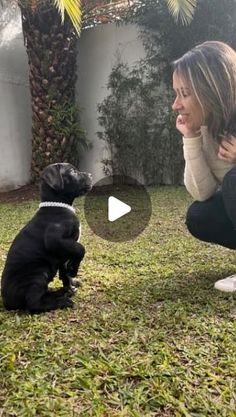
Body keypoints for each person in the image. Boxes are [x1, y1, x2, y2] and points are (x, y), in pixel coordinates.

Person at [172, 40, 236, 292]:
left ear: (213, 90)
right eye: (176, 93)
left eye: (184, 93)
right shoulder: (209, 129)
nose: (176, 104)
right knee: (200, 216)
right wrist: (191, 138)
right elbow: (202, 193)